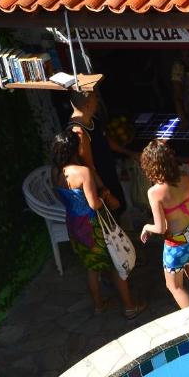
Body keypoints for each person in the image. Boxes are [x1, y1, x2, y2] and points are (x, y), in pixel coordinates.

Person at [51, 130, 146, 319]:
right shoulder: (83, 172)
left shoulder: (54, 172)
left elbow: (58, 196)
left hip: (74, 224)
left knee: (91, 268)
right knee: (115, 262)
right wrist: (105, 197)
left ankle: (99, 306)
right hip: (93, 225)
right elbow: (93, 203)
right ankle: (129, 307)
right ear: (74, 149)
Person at [139, 140, 189, 309]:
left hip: (177, 244)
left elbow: (160, 228)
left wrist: (147, 227)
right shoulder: (186, 179)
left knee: (174, 286)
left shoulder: (154, 193)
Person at [68, 90, 127, 214]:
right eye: (95, 98)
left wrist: (129, 153)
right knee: (113, 220)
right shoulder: (78, 132)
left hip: (110, 173)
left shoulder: (93, 120)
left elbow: (105, 141)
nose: (98, 101)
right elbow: (88, 166)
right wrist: (106, 193)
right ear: (87, 104)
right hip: (101, 183)